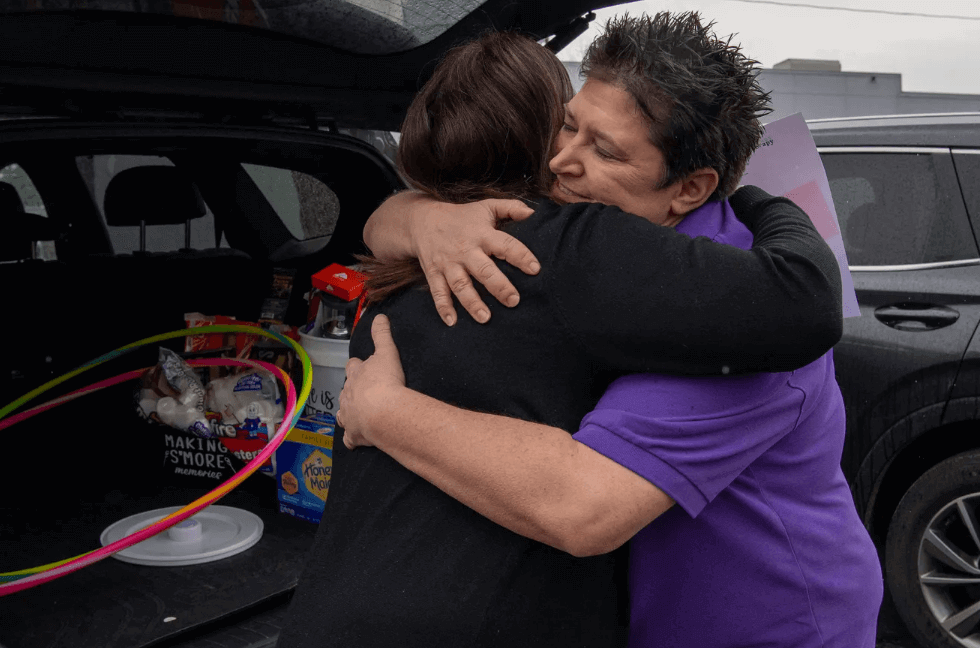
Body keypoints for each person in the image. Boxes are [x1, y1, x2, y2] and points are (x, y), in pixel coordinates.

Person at [278, 19, 847, 648]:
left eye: (605, 151)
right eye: (568, 125)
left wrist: (384, 411)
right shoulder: (598, 248)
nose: (559, 160)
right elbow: (380, 223)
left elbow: (584, 508)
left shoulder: (740, 323)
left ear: (691, 188)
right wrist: (422, 218)